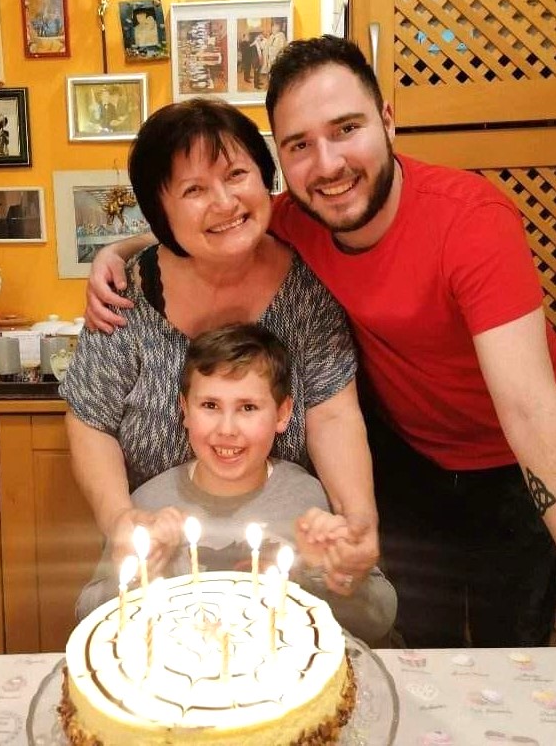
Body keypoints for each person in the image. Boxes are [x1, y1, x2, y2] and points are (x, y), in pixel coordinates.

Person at [85, 36, 556, 649]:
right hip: (407, 459)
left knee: (512, 646)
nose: (328, 165)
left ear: (388, 120)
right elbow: (211, 226)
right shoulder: (297, 217)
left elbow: (530, 409)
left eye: (347, 129)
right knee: (418, 641)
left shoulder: (467, 223)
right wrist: (116, 251)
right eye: (300, 145)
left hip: (514, 462)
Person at [61, 97, 378, 602]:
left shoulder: (308, 284)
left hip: (279, 579)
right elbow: (89, 417)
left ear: (265, 177)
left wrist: (357, 521)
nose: (225, 202)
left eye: (236, 175)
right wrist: (120, 519)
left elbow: (333, 412)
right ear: (160, 211)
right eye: (194, 189)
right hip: (160, 575)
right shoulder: (125, 294)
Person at [76, 323, 397, 645]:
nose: (227, 429)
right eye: (210, 406)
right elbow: (87, 615)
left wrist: (325, 573)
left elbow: (379, 617)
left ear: (282, 413)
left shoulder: (311, 501)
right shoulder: (149, 503)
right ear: (185, 409)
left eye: (248, 408)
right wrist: (137, 575)